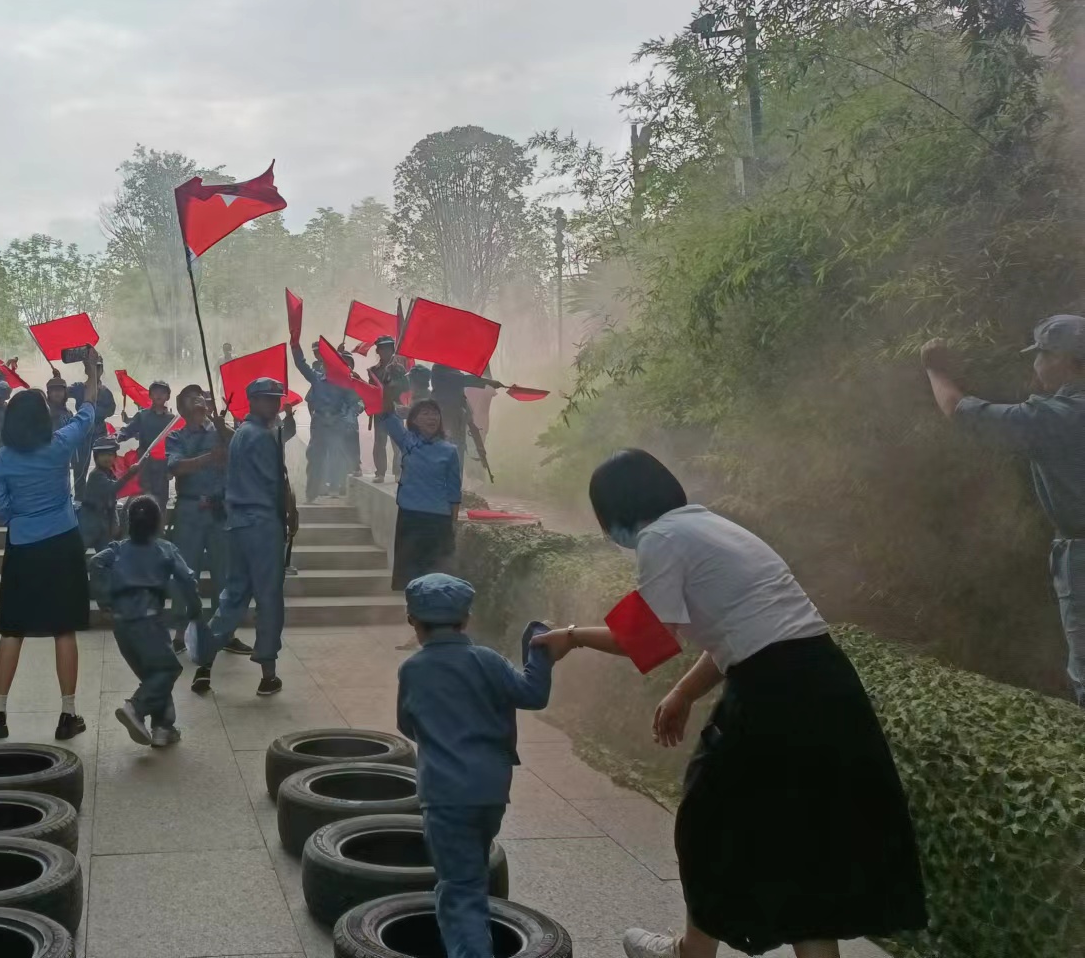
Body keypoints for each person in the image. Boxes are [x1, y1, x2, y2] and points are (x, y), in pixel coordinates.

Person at [531, 450, 927, 958]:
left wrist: (570, 636)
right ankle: (698, 949)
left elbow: (647, 637)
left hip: (774, 691)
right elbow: (739, 631)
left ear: (615, 510)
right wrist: (683, 692)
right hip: (826, 683)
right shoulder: (712, 525)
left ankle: (690, 951)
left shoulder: (660, 538)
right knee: (803, 834)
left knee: (705, 817)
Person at [922, 315, 1085, 705]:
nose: (1035, 364)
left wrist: (935, 369)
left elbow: (961, 411)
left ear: (1063, 360)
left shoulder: (1056, 418)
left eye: (1040, 355)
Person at [396, 574, 553, 958]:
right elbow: (533, 694)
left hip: (445, 796)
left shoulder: (413, 669)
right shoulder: (488, 660)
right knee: (471, 873)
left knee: (459, 891)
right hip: (491, 791)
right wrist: (539, 648)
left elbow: (406, 725)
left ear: (412, 621)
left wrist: (440, 736)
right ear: (466, 619)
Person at [0, 355, 105, 742]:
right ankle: (68, 714)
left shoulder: (4, 458)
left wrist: (21, 517)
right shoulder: (59, 445)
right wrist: (92, 372)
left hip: (23, 548)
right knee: (63, 629)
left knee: (12, 630)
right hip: (63, 544)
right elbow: (89, 409)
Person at [192, 376, 296, 698]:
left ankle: (204, 663)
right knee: (269, 598)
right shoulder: (261, 436)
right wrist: (288, 516)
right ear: (253, 401)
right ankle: (268, 674)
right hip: (262, 524)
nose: (274, 404)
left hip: (237, 524)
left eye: (276, 399)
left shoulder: (241, 434)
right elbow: (274, 484)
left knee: (233, 595)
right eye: (267, 399)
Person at [89, 494, 202, 748]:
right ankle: (136, 708)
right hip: (149, 623)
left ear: (129, 523)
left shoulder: (117, 548)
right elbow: (187, 579)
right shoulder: (166, 549)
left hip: (121, 625)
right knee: (167, 671)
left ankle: (163, 728)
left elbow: (95, 563)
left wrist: (105, 599)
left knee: (155, 676)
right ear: (158, 523)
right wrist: (193, 609)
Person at [166, 386, 253, 655]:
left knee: (224, 573)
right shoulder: (177, 436)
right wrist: (208, 458)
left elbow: (246, 447)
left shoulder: (222, 432)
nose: (199, 400)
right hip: (190, 510)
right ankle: (180, 633)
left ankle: (225, 632)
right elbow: (175, 467)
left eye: (202, 396)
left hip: (220, 510)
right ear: (182, 408)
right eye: (191, 397)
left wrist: (223, 427)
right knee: (184, 572)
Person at [377, 394, 462, 650]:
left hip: (438, 522)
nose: (431, 417)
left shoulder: (449, 451)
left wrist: (452, 524)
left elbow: (454, 492)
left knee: (436, 577)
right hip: (410, 518)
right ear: (413, 419)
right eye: (424, 413)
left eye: (434, 413)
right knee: (411, 580)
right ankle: (419, 631)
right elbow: (386, 414)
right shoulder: (407, 442)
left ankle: (439, 631)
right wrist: (387, 386)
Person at [292, 338, 358, 500]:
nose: (327, 367)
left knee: (336, 455)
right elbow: (301, 364)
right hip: (320, 422)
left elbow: (354, 403)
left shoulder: (343, 383)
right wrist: (295, 346)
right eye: (326, 364)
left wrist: (348, 418)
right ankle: (312, 491)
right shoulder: (316, 378)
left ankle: (335, 487)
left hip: (337, 422)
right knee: (315, 457)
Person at [119, 380, 177, 505]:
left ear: (168, 396)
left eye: (163, 392)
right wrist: (116, 437)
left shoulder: (172, 420)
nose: (159, 395)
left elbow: (175, 446)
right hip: (144, 462)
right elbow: (128, 431)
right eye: (156, 392)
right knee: (143, 496)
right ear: (150, 395)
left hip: (162, 465)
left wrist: (171, 469)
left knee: (161, 499)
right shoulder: (142, 416)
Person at [69, 360, 118, 497]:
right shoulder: (79, 387)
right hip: (83, 432)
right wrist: (57, 378)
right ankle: (80, 498)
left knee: (105, 465)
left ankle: (104, 495)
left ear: (101, 370)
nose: (94, 371)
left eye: (97, 368)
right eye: (90, 367)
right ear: (86, 369)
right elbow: (63, 393)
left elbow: (111, 410)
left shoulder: (106, 392)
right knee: (80, 467)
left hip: (99, 432)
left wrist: (94, 411)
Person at [429, 364, 504, 452]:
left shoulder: (447, 371)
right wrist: (490, 383)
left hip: (455, 417)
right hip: (447, 415)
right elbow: (463, 380)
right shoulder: (441, 368)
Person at [367, 336, 409, 483]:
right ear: (378, 351)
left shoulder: (399, 369)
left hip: (395, 409)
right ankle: (380, 473)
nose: (385, 351)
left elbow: (406, 387)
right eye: (382, 349)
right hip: (380, 411)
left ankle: (398, 472)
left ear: (392, 350)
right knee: (379, 443)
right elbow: (371, 390)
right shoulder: (373, 371)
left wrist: (395, 377)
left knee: (398, 443)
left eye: (388, 349)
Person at [78, 435, 121, 553]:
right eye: (103, 455)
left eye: (110, 454)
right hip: (90, 522)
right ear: (96, 458)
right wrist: (129, 475)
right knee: (79, 553)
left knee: (106, 554)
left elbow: (112, 502)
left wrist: (115, 523)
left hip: (104, 523)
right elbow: (113, 488)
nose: (107, 458)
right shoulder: (96, 475)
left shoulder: (110, 474)